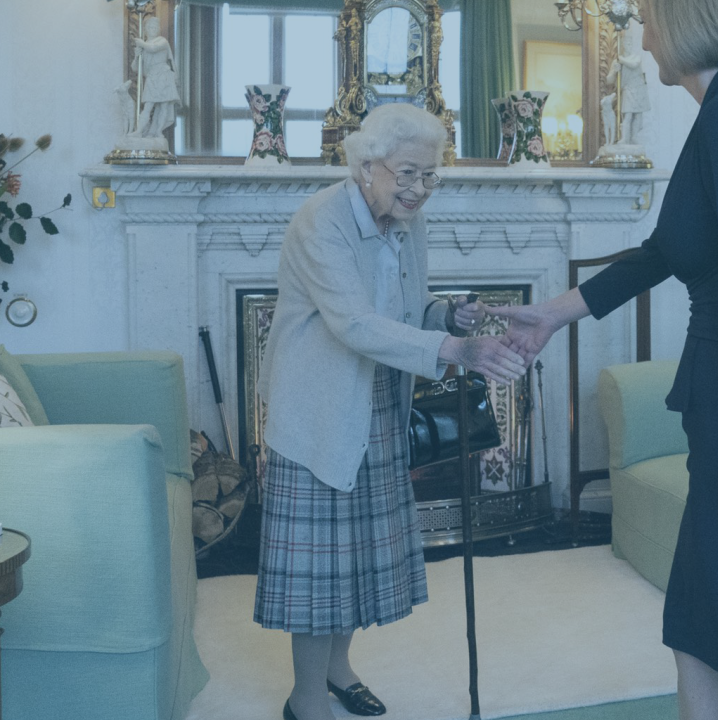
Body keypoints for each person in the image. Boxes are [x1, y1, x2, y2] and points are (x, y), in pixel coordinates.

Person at [489, 0, 718, 717]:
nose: (645, 35)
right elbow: (668, 251)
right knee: (698, 629)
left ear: (688, 22)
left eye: (652, 18)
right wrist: (553, 315)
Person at [254, 103, 526, 720]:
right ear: (367, 165)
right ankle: (304, 697)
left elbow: (404, 307)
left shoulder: (407, 223)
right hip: (320, 407)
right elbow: (352, 321)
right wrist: (455, 348)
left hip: (378, 401)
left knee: (359, 556)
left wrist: (442, 315)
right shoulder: (321, 221)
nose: (418, 190)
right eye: (407, 174)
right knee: (322, 569)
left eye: (430, 177)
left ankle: (339, 670)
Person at [133, 16, 179, 138]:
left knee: (164, 106)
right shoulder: (144, 46)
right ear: (146, 30)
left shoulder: (162, 41)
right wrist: (136, 56)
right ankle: (139, 131)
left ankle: (158, 131)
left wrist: (142, 43)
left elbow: (153, 49)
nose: (152, 29)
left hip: (163, 75)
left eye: (155, 27)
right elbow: (135, 68)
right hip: (152, 77)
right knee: (148, 105)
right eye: (150, 27)